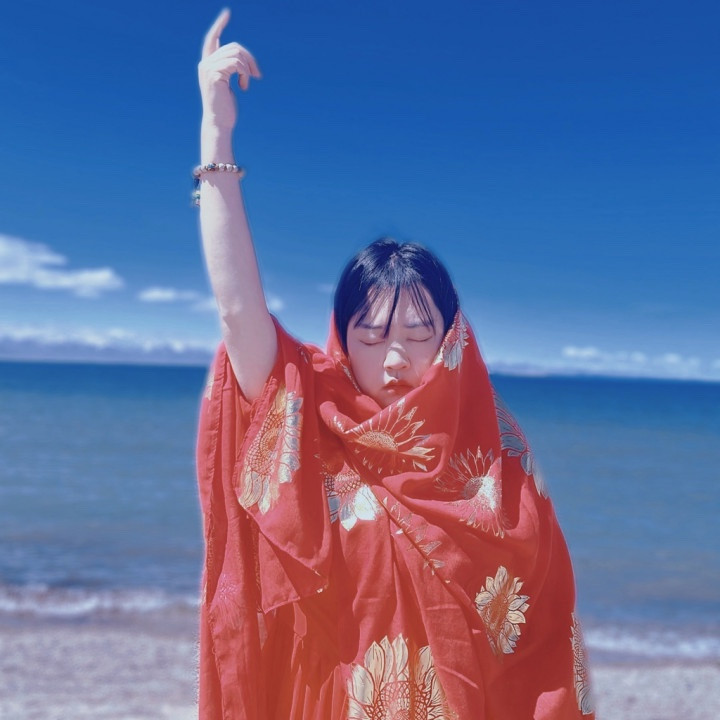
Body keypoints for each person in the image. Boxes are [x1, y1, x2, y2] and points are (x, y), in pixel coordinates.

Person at [194, 8, 595, 719]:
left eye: (418, 332)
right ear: (341, 339)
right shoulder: (307, 419)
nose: (396, 356)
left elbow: (540, 644)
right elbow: (237, 310)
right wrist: (216, 133)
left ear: (453, 340)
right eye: (372, 335)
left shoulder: (498, 466)